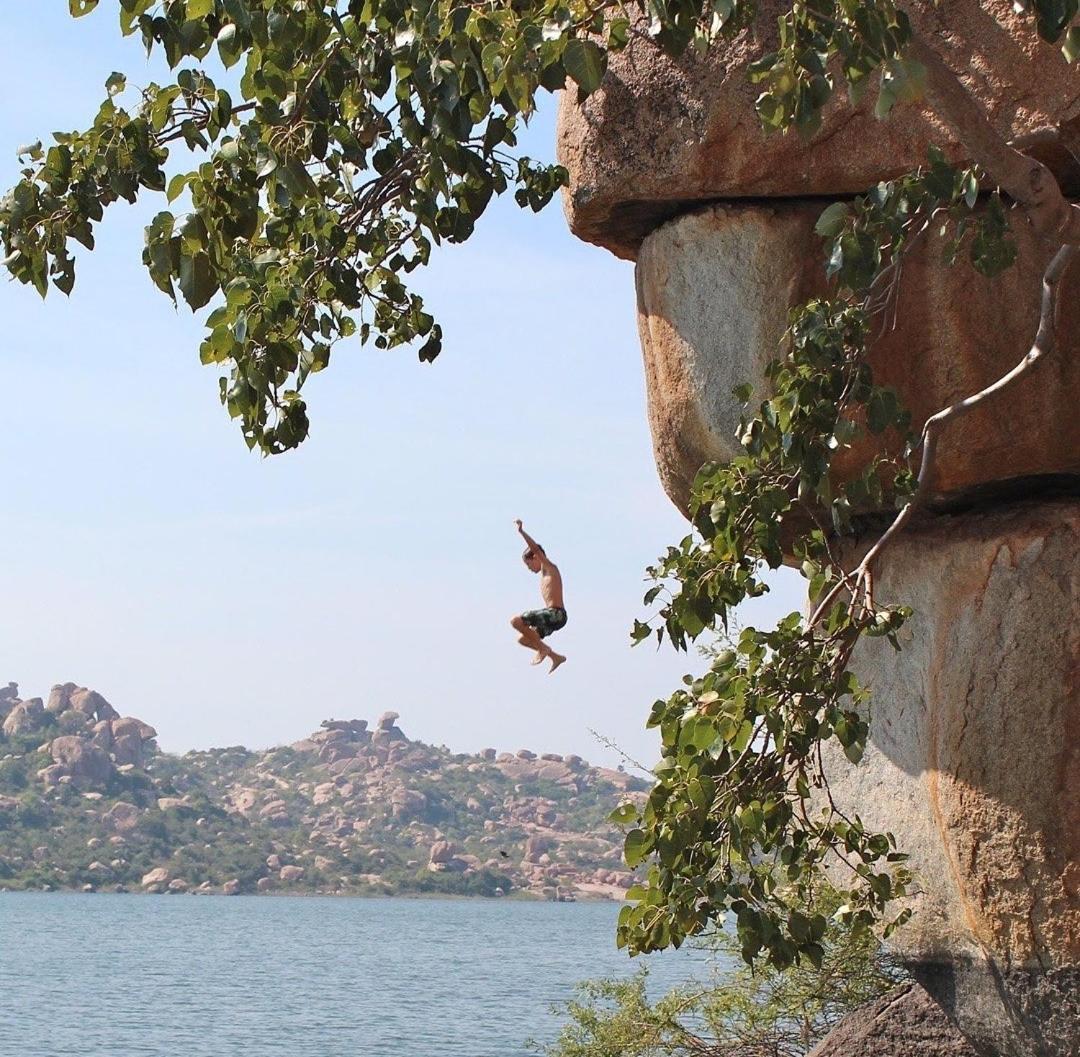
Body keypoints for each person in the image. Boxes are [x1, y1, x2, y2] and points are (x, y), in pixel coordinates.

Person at [510, 519, 567, 673]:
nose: (529, 569)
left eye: (529, 564)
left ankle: (543, 649)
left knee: (516, 622)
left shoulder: (549, 567)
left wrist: (521, 532)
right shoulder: (543, 575)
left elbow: (535, 548)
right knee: (524, 639)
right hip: (552, 618)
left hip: (556, 614)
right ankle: (555, 657)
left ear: (536, 557)